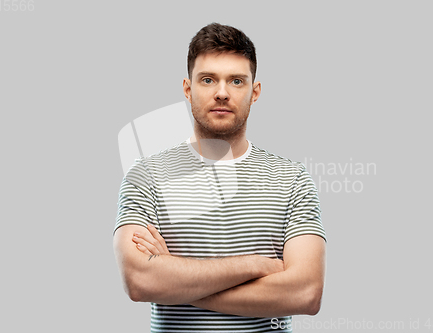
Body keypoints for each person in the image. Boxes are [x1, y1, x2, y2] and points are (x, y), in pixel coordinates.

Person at [113, 22, 326, 332]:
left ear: (255, 92)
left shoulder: (291, 179)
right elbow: (140, 281)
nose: (222, 93)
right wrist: (257, 266)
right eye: (208, 79)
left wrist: (177, 284)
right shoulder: (146, 176)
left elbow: (306, 293)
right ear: (188, 89)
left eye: (236, 81)